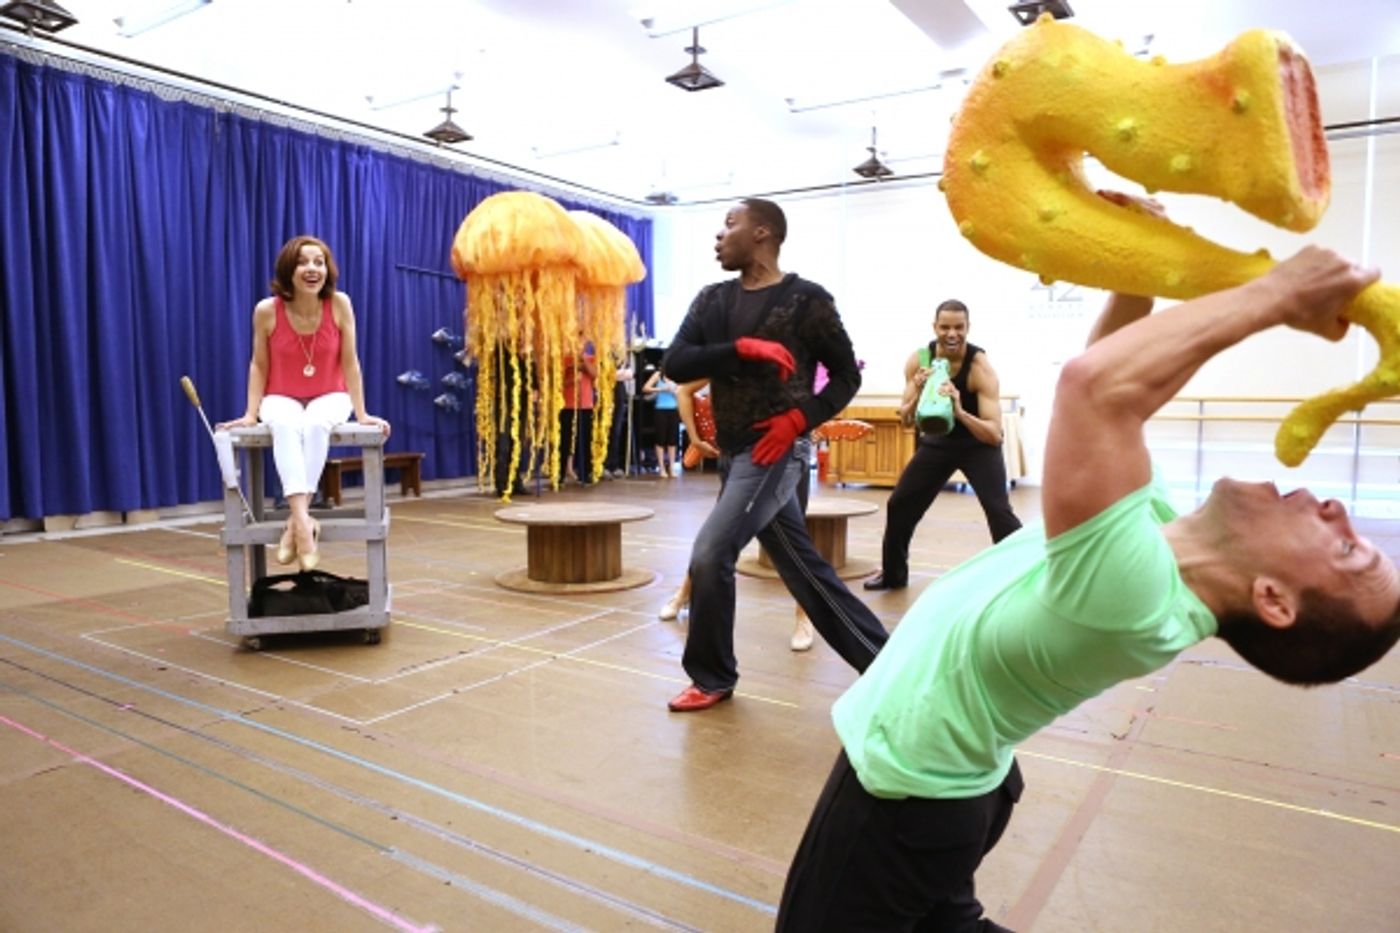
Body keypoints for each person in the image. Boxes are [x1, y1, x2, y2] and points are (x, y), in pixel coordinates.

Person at [776, 243, 1400, 931]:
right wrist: (1135, 273)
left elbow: (1091, 387)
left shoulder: (1134, 595)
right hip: (952, 785)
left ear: (1275, 600)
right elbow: (1109, 377)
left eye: (1347, 550)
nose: (1341, 511)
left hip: (908, 798)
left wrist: (1277, 297)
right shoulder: (1165, 536)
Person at [660, 198, 888, 712]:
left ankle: (712, 677)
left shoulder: (808, 301)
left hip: (776, 452)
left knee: (710, 553)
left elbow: (847, 375)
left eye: (729, 225)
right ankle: (884, 660)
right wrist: (739, 348)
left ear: (762, 233)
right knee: (804, 569)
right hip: (736, 453)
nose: (719, 236)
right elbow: (676, 363)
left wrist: (797, 420)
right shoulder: (712, 300)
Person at [218, 235, 390, 570]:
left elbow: (350, 362)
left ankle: (295, 526)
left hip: (331, 394)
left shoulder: (340, 304)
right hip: (280, 395)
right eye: (303, 262)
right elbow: (259, 365)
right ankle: (304, 524)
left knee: (314, 425)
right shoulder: (267, 311)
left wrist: (363, 411)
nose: (312, 268)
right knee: (284, 424)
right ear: (288, 270)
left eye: (319, 262)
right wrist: (250, 414)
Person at [863, 299, 1021, 591]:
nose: (952, 334)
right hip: (937, 444)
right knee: (900, 505)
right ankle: (893, 574)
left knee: (999, 512)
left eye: (959, 327)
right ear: (935, 327)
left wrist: (960, 411)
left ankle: (1021, 577)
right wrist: (918, 392)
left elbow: (994, 434)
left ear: (968, 328)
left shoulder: (979, 369)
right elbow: (907, 420)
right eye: (945, 327)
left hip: (977, 445)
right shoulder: (919, 361)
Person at [660, 378, 817, 652]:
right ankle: (684, 591)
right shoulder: (734, 353)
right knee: (716, 533)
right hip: (742, 458)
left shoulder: (793, 353)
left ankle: (804, 616)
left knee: (797, 543)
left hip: (788, 455)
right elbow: (685, 390)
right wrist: (696, 439)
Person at [559, 341, 598, 484]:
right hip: (568, 404)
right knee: (565, 441)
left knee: (585, 440)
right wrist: (572, 378)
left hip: (585, 405)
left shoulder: (590, 358)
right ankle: (560, 474)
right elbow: (559, 381)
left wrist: (584, 362)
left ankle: (585, 473)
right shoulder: (564, 358)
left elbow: (595, 374)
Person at [643, 368, 681, 477]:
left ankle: (672, 467)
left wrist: (675, 391)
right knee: (660, 439)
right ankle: (661, 467)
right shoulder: (658, 375)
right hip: (660, 409)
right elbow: (645, 388)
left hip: (673, 409)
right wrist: (660, 389)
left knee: (672, 440)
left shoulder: (677, 375)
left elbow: (682, 391)